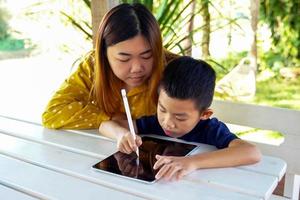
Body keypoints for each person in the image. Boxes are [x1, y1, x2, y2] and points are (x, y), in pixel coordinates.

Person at [99, 56, 261, 181]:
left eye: (180, 117)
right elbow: (105, 126)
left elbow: (251, 153)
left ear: (204, 114)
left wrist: (192, 162)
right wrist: (121, 134)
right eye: (162, 109)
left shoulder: (210, 129)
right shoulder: (155, 122)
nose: (167, 122)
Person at [42, 3, 177, 129]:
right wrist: (109, 119)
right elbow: (54, 112)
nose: (137, 68)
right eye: (124, 58)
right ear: (104, 54)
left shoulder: (176, 69)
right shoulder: (92, 66)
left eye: (147, 55)